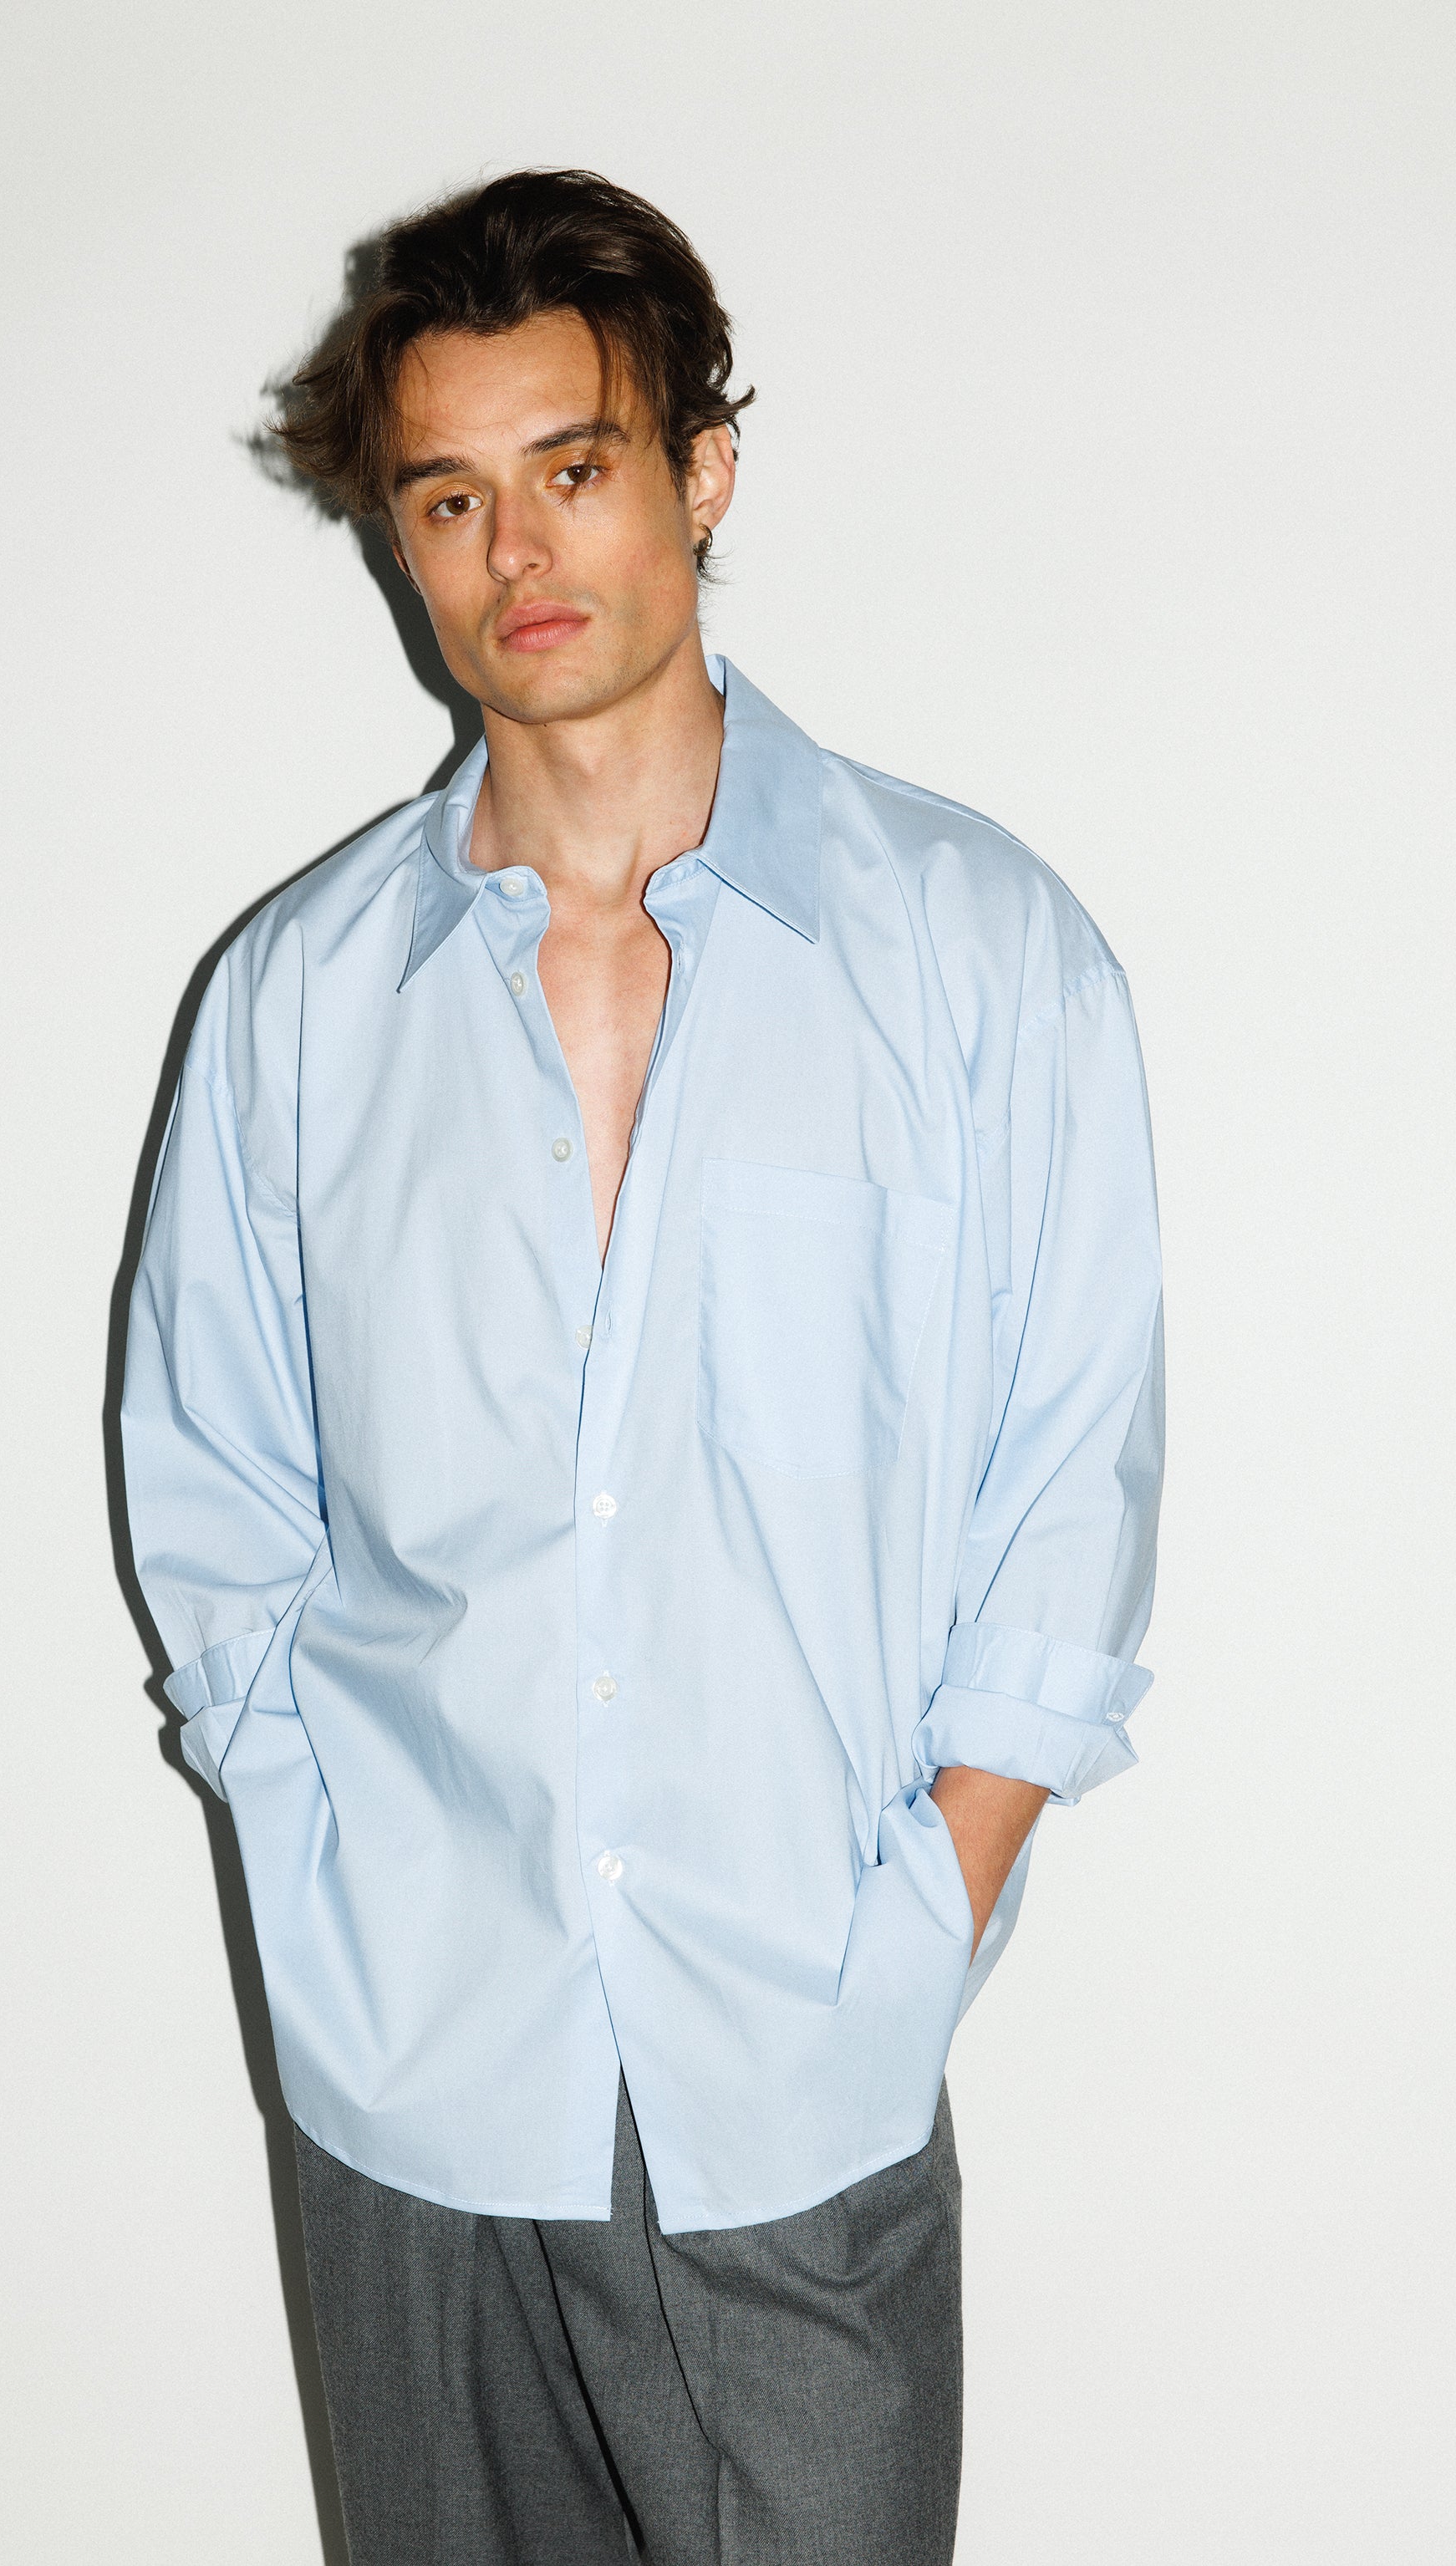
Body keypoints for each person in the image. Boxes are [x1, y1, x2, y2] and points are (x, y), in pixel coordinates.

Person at [120, 167, 1163, 2566]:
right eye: (446, 499)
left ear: (702, 470)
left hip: (796, 2077)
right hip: (411, 2092)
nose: (515, 553)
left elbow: (1068, 1497)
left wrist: (909, 1933)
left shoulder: (981, 959)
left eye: (573, 467)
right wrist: (327, 1884)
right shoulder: (299, 1004)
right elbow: (215, 1498)